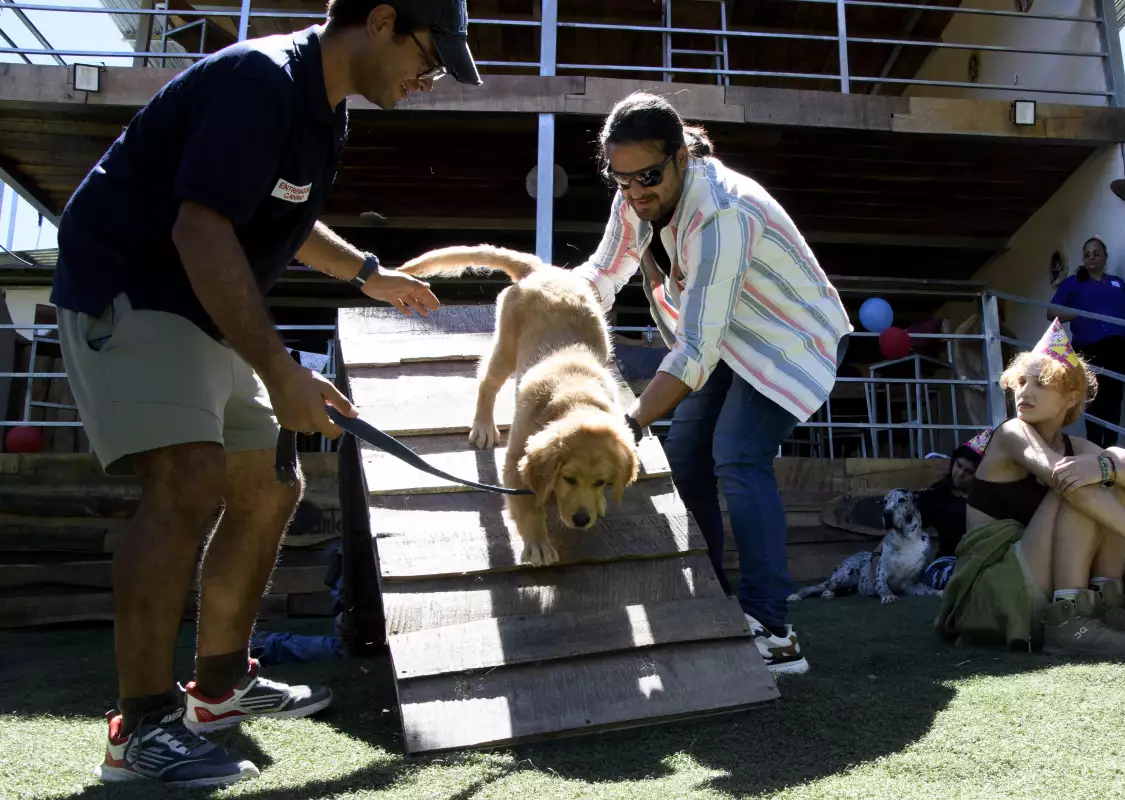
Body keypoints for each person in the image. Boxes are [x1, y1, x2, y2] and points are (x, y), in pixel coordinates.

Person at [49, 0, 480, 787]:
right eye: (431, 54)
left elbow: (288, 216)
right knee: (188, 480)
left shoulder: (326, 115)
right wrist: (283, 372)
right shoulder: (259, 80)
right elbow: (201, 229)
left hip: (202, 305)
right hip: (132, 287)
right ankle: (140, 727)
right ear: (381, 20)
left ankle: (217, 691)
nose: (432, 77)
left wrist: (367, 273)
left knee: (270, 484)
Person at [573, 92, 853, 675]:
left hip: (789, 339)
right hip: (726, 339)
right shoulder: (635, 198)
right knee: (685, 456)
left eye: (647, 176)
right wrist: (548, 302)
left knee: (736, 454)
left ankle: (773, 629)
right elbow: (601, 274)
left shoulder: (721, 212)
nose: (633, 192)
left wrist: (629, 423)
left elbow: (695, 351)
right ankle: (712, 599)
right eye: (618, 178)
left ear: (681, 157)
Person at [934, 319, 1125, 657]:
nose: (1024, 392)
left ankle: (1107, 605)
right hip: (998, 591)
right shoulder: (1011, 432)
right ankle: (1069, 620)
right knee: (1074, 481)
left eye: (1041, 383)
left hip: (1042, 574)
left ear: (1071, 396)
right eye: (1021, 381)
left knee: (1120, 458)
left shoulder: (1075, 445)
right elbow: (1066, 482)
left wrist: (1108, 466)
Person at [1047, 236, 1125, 448]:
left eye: (1096, 253)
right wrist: (1080, 313)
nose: (1091, 257)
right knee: (1096, 399)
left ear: (1105, 257)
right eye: (1087, 254)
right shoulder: (1073, 283)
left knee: (1115, 397)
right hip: (1089, 347)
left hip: (1117, 347)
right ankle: (1095, 448)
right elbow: (1051, 312)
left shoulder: (1117, 283)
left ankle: (1112, 448)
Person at [917, 434, 983, 591]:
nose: (960, 474)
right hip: (947, 562)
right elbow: (907, 523)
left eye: (968, 471)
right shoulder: (937, 493)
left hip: (980, 561)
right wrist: (877, 556)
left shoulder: (985, 496)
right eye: (958, 465)